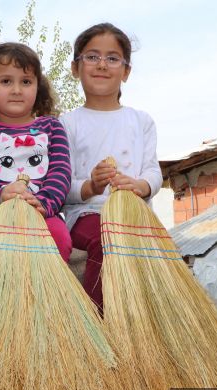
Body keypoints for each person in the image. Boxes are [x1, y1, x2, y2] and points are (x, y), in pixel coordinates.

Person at [61, 23, 162, 310]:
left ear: (126, 71)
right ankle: (98, 321)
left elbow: (153, 172)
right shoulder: (66, 124)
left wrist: (140, 186)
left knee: (162, 249)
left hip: (134, 213)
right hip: (86, 215)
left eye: (113, 58)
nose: (102, 65)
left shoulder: (141, 121)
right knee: (107, 238)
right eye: (92, 56)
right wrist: (91, 185)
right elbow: (60, 185)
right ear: (75, 68)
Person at [0, 42, 72, 262]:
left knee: (58, 238)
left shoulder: (52, 127)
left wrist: (44, 204)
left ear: (38, 87)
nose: (17, 90)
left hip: (40, 210)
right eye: (6, 81)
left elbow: (60, 174)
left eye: (26, 82)